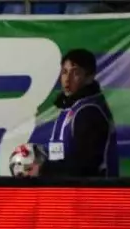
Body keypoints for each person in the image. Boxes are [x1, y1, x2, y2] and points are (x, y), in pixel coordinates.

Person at [23, 49, 119, 179]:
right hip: (69, 188)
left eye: (75, 73)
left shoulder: (89, 111)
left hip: (93, 190)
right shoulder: (69, 108)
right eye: (64, 72)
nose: (67, 79)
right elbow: (61, 156)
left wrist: (44, 168)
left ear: (90, 77)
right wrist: (39, 158)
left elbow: (86, 166)